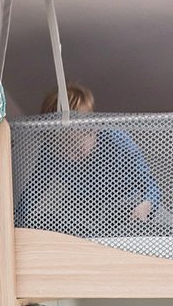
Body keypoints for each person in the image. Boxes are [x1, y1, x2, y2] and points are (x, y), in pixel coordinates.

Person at [15, 83, 161, 233]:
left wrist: (146, 205)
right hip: (91, 213)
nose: (81, 150)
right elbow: (33, 192)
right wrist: (16, 220)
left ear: (93, 127)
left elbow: (151, 186)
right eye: (69, 146)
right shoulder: (51, 154)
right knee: (54, 217)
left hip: (127, 205)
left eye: (87, 134)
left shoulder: (115, 139)